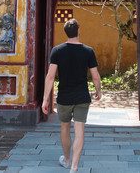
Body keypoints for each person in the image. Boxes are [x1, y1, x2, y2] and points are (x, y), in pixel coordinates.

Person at [42, 19, 102, 171]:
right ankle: (74, 166)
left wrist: (45, 99)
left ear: (66, 32)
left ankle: (67, 160)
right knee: (79, 129)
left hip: (64, 97)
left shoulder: (57, 51)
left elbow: (50, 76)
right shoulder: (88, 51)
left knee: (65, 127)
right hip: (82, 96)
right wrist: (98, 90)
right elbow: (95, 75)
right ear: (78, 31)